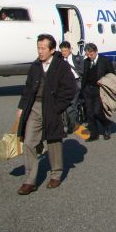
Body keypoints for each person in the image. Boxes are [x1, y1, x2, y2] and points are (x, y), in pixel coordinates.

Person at [15, 34, 76, 195]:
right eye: (38, 48)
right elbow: (28, 88)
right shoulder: (35, 65)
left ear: (52, 49)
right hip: (34, 107)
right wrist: (21, 107)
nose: (40, 51)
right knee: (29, 142)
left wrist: (58, 107)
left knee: (54, 142)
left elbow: (70, 89)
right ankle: (30, 180)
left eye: (43, 48)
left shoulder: (61, 66)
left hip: (52, 108)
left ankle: (56, 174)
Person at [81, 43, 115, 141]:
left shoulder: (104, 61)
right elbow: (85, 75)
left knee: (97, 112)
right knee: (89, 113)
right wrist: (83, 89)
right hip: (88, 89)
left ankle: (106, 125)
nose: (89, 56)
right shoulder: (86, 61)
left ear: (96, 52)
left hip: (99, 90)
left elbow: (111, 74)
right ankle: (94, 134)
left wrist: (104, 82)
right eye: (87, 54)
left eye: (91, 54)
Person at [59, 41, 84, 132]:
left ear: (70, 50)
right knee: (66, 105)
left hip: (75, 83)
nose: (64, 53)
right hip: (64, 85)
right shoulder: (60, 60)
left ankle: (72, 125)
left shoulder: (77, 58)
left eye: (65, 51)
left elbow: (83, 70)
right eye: (62, 51)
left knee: (72, 104)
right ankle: (71, 123)